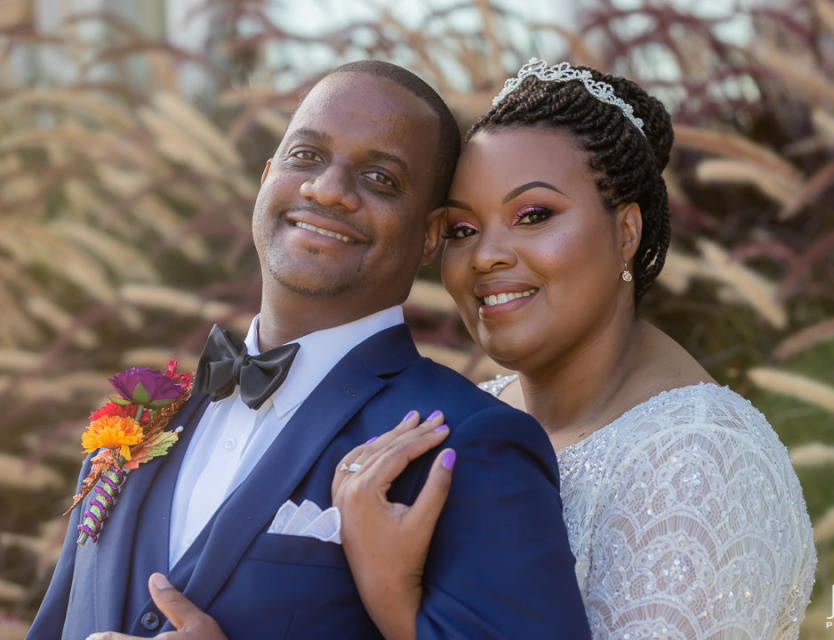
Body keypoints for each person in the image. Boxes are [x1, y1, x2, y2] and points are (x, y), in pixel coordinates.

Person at [26, 60, 591, 640]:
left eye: (380, 178)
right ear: (268, 175)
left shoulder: (468, 442)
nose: (326, 190)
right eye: (306, 157)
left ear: (430, 234)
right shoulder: (139, 420)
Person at [332, 59, 817, 639]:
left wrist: (396, 605)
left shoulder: (700, 461)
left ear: (627, 232)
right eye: (463, 230)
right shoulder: (465, 421)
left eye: (533, 215)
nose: (486, 255)